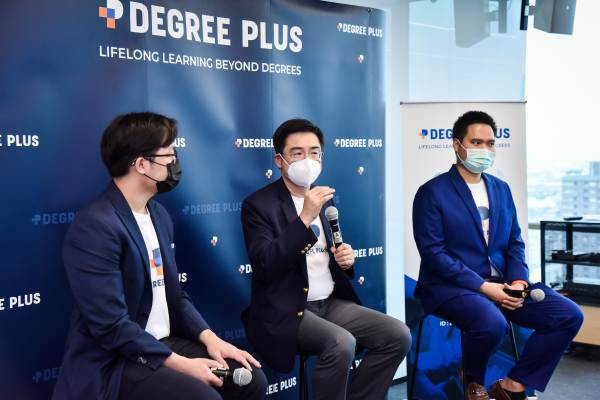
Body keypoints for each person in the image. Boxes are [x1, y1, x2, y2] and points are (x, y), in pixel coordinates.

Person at [52, 112, 267, 400]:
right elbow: (110, 326)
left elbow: (175, 296)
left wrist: (211, 339)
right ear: (142, 164)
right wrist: (183, 365)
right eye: (169, 155)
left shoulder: (159, 215)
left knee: (250, 381)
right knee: (202, 396)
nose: (175, 162)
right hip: (117, 359)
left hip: (163, 344)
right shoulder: (95, 226)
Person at [412, 110, 584, 400]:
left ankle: (513, 384)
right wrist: (483, 287)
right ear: (457, 145)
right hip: (451, 288)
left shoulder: (501, 189)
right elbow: (433, 254)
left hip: (504, 285)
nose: (485, 150)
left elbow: (515, 242)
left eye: (490, 143)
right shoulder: (432, 192)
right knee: (491, 323)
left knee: (568, 315)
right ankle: (474, 383)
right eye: (476, 142)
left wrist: (518, 282)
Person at [240, 118, 411, 400]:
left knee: (397, 335)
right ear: (279, 160)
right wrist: (305, 217)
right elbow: (265, 264)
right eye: (297, 153)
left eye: (314, 152)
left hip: (330, 302)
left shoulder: (324, 199)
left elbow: (327, 254)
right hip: (286, 307)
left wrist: (345, 260)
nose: (308, 160)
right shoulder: (258, 205)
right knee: (341, 343)